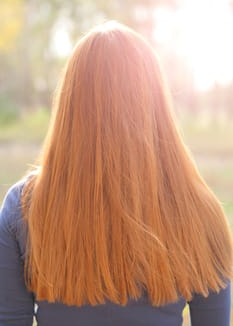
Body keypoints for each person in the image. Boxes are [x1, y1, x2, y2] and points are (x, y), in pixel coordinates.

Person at [0, 21, 232, 326]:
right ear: (156, 105)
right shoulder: (199, 209)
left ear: (70, 106)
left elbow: (10, 320)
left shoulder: (24, 205)